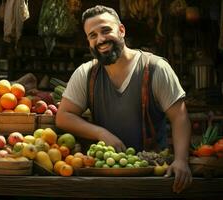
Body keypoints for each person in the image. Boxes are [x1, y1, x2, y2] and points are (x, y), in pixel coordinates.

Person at [56, 5, 192, 193]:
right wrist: (100, 133)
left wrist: (181, 160)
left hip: (153, 176)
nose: (100, 40)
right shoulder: (86, 73)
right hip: (104, 176)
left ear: (121, 30)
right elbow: (63, 116)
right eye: (92, 35)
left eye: (105, 30)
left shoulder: (155, 68)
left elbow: (180, 117)